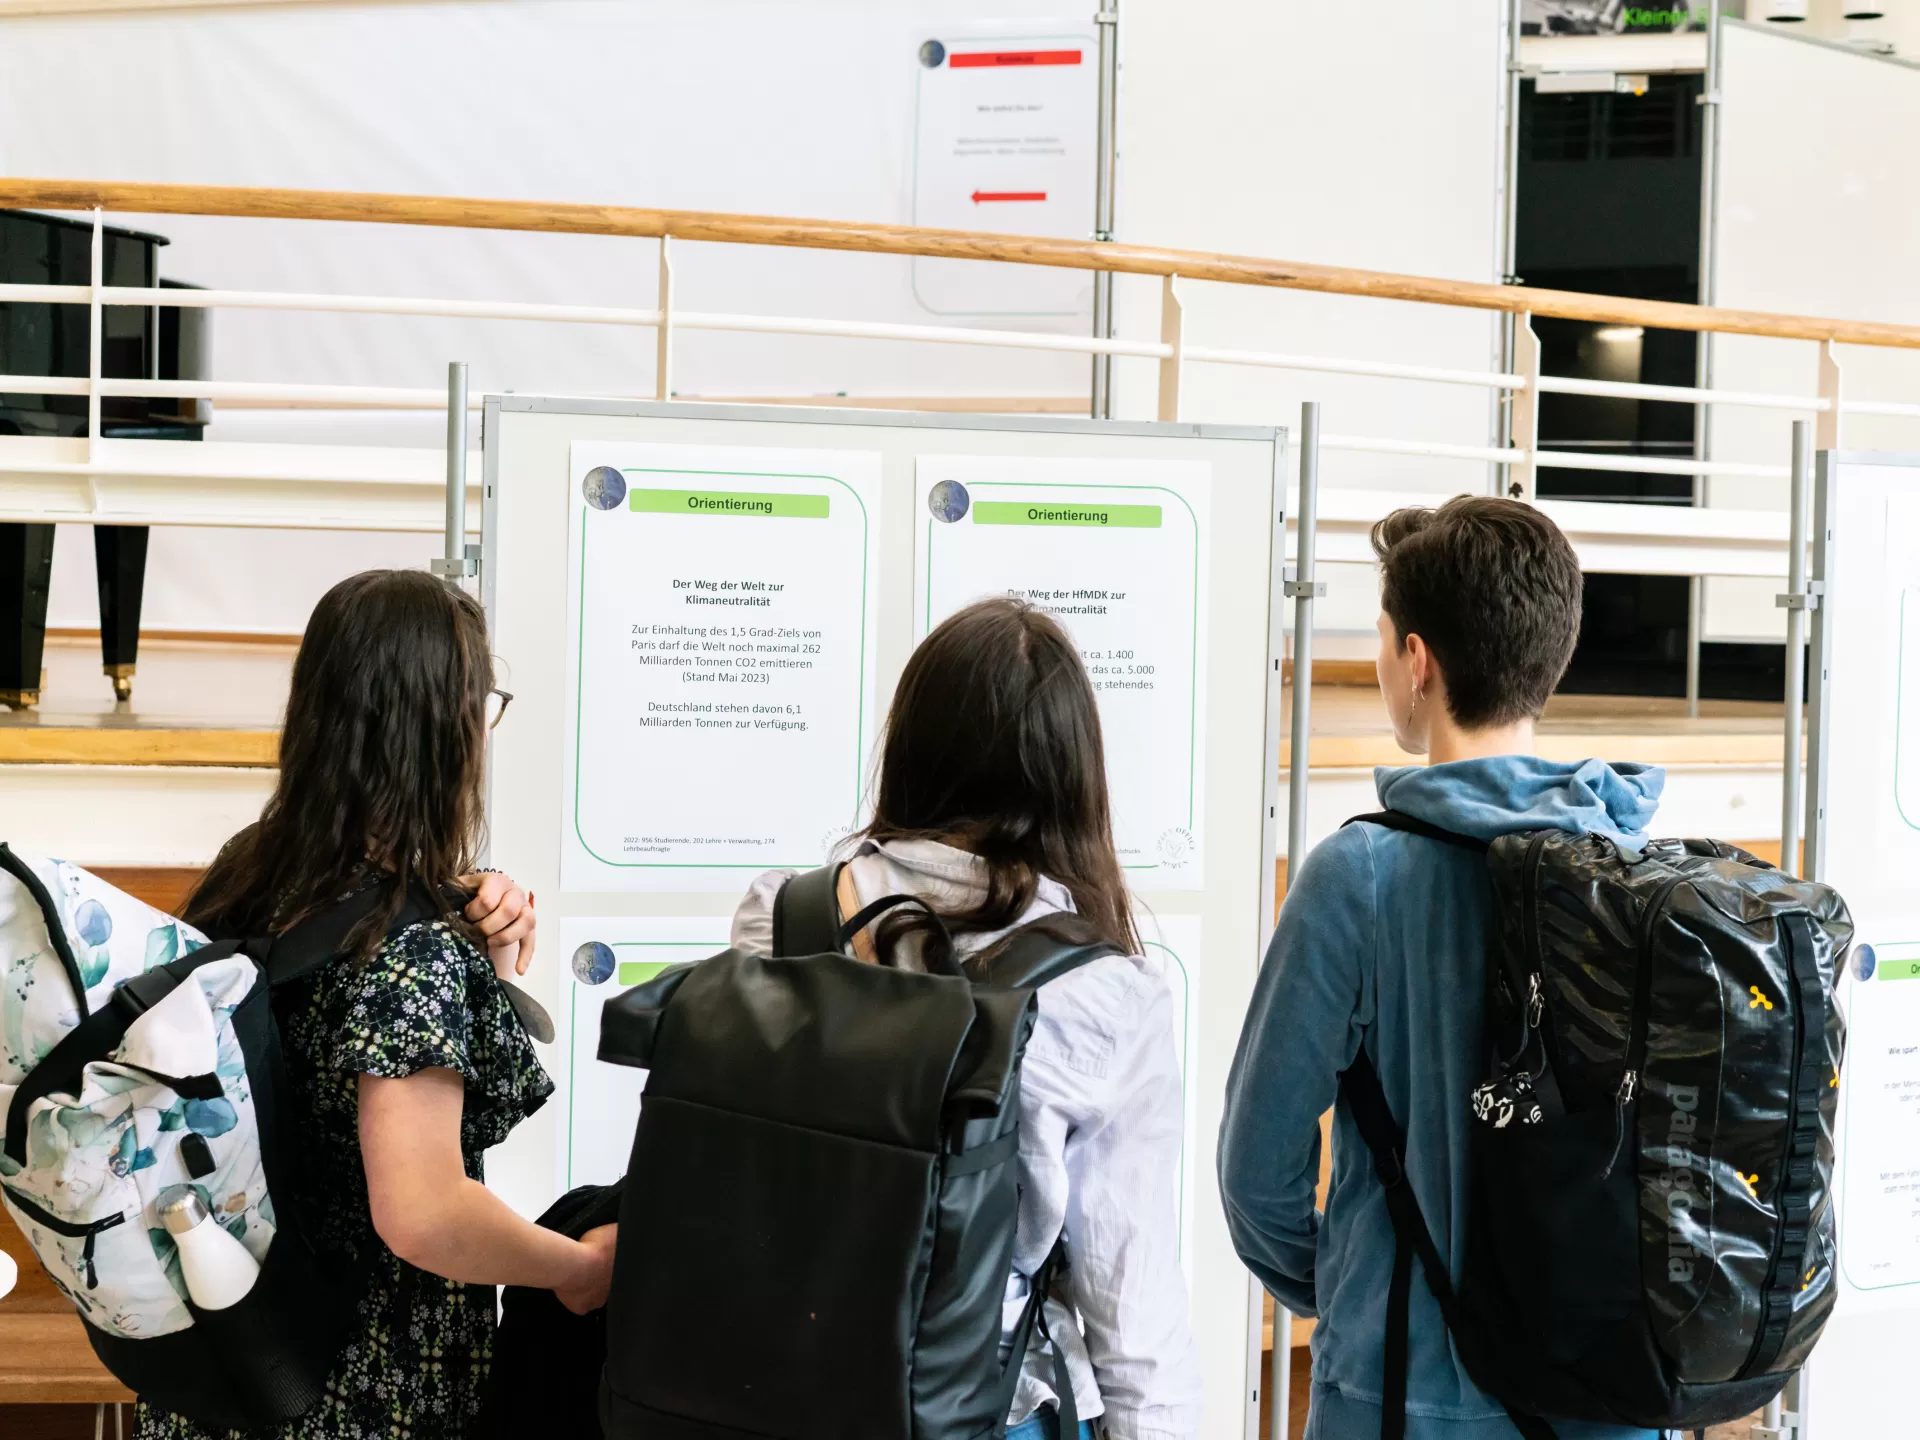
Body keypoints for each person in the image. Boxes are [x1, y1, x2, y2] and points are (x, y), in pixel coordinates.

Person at [1217, 498, 1662, 1440]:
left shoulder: (1358, 878)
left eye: (1382, 638)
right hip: (1612, 1400)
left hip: (1403, 1403)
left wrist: (1353, 1281)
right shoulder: (1635, 867)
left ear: (1417, 661)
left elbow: (1257, 1177)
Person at [136, 569, 615, 1440]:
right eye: (483, 702)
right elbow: (423, 1212)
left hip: (225, 1356)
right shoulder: (408, 947)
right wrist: (574, 1266)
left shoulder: (249, 875)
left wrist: (484, 949)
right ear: (443, 723)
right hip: (358, 1389)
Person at [730, 597, 1203, 1440]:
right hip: (982, 1407)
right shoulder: (1104, 995)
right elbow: (1131, 1306)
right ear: (1070, 777)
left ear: (912, 749)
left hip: (772, 1389)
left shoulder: (781, 918)